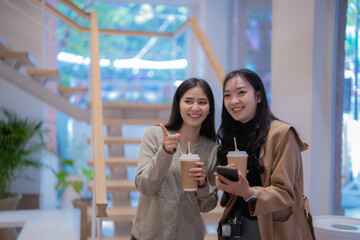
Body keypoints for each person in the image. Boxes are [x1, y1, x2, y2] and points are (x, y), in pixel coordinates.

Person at [214, 69, 316, 240]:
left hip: (271, 227)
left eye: (241, 92)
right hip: (236, 224)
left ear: (259, 96)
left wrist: (248, 192)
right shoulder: (232, 136)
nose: (234, 101)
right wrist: (226, 184)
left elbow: (286, 193)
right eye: (227, 95)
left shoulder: (282, 134)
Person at [131, 78, 219, 240]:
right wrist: (165, 152)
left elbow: (208, 206)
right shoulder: (155, 135)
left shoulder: (213, 150)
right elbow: (145, 187)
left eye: (202, 102)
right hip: (149, 235)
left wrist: (203, 184)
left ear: (210, 109)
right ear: (178, 105)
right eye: (188, 101)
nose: (195, 107)